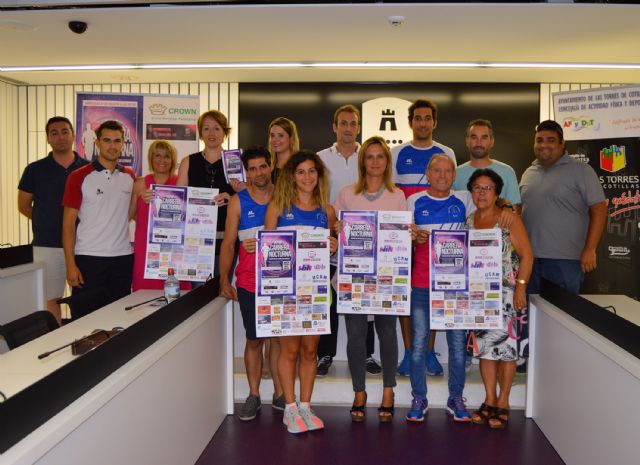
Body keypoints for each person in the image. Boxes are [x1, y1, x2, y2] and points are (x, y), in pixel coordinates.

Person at [333, 136, 409, 423]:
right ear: (362, 161)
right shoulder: (346, 193)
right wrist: (336, 226)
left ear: (387, 162)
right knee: (355, 337)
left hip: (386, 277)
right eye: (370, 156)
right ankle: (359, 391)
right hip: (354, 275)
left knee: (387, 333)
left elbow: (402, 234)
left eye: (380, 157)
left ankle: (388, 390)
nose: (375, 161)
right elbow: (334, 227)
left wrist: (408, 234)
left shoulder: (398, 195)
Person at [264, 150, 338, 434]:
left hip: (317, 291)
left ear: (318, 175)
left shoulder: (327, 211)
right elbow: (266, 251)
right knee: (289, 349)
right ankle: (290, 408)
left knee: (310, 351)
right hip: (285, 291)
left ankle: (306, 407)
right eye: (301, 172)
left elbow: (332, 252)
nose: (307, 177)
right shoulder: (277, 208)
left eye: (312, 171)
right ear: (291, 176)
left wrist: (334, 245)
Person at [392, 99, 456, 378]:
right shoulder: (396, 153)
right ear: (410, 122)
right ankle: (409, 351)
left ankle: (428, 351)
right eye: (417, 118)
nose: (422, 123)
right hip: (405, 237)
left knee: (433, 296)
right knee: (404, 298)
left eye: (427, 118)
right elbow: (393, 192)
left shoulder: (446, 152)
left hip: (435, 241)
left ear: (434, 122)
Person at [219, 147, 284, 421]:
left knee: (280, 339)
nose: (258, 172)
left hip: (281, 281)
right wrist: (224, 278)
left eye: (262, 167)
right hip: (249, 281)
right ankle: (254, 394)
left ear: (270, 167)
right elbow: (229, 243)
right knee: (255, 340)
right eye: (253, 168)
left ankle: (281, 394)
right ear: (247, 172)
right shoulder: (238, 201)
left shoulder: (284, 196)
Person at [465, 168, 533, 429]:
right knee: (486, 350)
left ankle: (503, 402)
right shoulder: (469, 221)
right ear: (471, 191)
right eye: (478, 188)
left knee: (507, 351)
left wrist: (520, 289)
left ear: (496, 193)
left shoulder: (509, 219)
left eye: (488, 188)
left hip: (508, 294)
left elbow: (527, 255)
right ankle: (489, 399)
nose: (482, 193)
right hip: (480, 295)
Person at [316, 104, 381, 377]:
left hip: (362, 243)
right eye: (343, 123)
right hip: (327, 237)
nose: (347, 128)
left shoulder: (366, 157)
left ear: (358, 127)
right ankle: (325, 354)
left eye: (353, 123)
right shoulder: (321, 158)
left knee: (363, 298)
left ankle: (366, 355)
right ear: (334, 127)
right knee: (328, 299)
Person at [520, 120, 607, 295]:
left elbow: (599, 209)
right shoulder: (529, 172)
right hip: (528, 260)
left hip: (565, 262)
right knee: (531, 316)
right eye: (539, 140)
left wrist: (590, 250)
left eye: (551, 140)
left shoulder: (581, 170)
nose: (544, 145)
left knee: (560, 316)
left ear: (562, 143)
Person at [17, 116, 89, 323]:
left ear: (74, 135)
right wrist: (45, 220)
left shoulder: (88, 169)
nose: (60, 137)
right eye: (54, 133)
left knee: (83, 300)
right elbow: (23, 206)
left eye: (65, 132)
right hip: (47, 246)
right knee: (51, 301)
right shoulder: (34, 170)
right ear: (48, 138)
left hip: (83, 246)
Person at [62, 120, 135, 311]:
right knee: (85, 321)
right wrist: (71, 264)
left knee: (119, 319)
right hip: (89, 258)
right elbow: (68, 225)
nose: (112, 146)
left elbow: (129, 214)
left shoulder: (130, 176)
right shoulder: (79, 176)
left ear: (123, 144)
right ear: (97, 143)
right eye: (107, 140)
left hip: (122, 258)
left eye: (117, 141)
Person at [177, 110, 243, 280]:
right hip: (196, 242)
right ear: (200, 133)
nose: (211, 133)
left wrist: (232, 198)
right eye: (206, 129)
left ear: (225, 132)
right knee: (200, 296)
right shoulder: (188, 161)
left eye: (217, 128)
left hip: (229, 240)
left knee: (226, 295)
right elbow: (179, 200)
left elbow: (250, 198)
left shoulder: (236, 160)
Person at [129, 140, 190, 292]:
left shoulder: (181, 183)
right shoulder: (139, 184)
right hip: (146, 248)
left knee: (176, 295)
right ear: (151, 158)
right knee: (143, 295)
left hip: (175, 248)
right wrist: (140, 199)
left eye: (167, 156)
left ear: (173, 160)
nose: (162, 160)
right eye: (157, 155)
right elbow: (129, 215)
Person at [453, 119, 522, 210]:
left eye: (484, 138)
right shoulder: (455, 174)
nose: (479, 143)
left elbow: (515, 211)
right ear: (467, 141)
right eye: (474, 137)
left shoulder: (507, 172)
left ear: (492, 141)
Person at [268, 117, 300, 184]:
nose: (275, 140)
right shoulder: (267, 169)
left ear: (291, 138)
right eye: (272, 135)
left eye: (280, 135)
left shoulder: (299, 168)